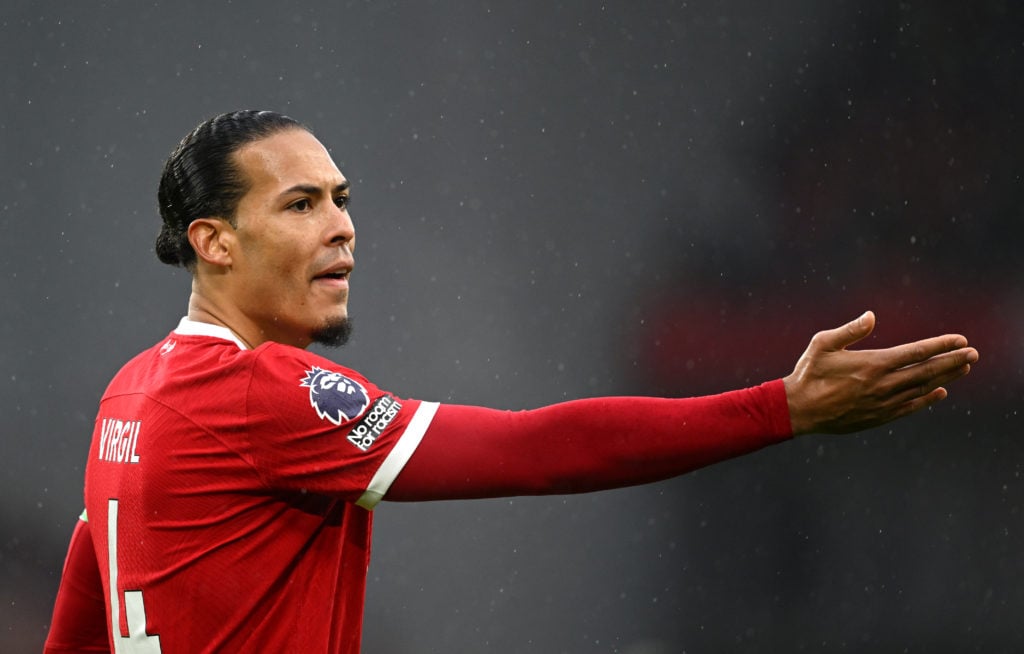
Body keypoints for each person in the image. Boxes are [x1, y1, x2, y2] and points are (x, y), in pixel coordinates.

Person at [43, 110, 978, 653]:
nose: (341, 226)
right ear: (214, 241)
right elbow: (540, 451)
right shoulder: (261, 395)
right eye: (300, 204)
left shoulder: (128, 397)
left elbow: (81, 621)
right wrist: (776, 408)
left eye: (341, 199)